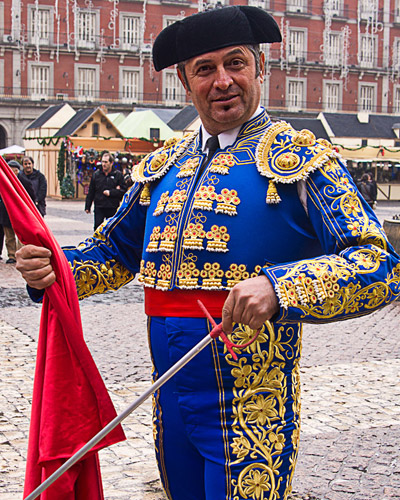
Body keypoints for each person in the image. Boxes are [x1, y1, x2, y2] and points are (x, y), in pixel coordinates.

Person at [15, 6, 400, 500]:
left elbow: (378, 264)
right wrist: (54, 268)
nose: (223, 81)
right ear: (185, 80)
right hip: (169, 396)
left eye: (236, 63)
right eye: (205, 69)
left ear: (260, 67)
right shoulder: (164, 164)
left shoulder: (303, 160)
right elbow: (114, 252)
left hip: (252, 403)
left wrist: (280, 287)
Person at [0, 160, 35, 263]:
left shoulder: (24, 181)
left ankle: (20, 254)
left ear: (17, 171)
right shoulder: (3, 182)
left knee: (21, 235)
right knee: (9, 236)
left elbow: (31, 196)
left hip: (20, 213)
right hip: (6, 212)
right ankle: (11, 255)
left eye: (14, 170)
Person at [85, 151, 127, 229]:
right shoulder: (96, 175)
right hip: (99, 206)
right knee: (98, 227)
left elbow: (123, 191)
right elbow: (91, 190)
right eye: (102, 162)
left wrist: (111, 192)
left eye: (106, 162)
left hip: (112, 207)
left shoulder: (117, 175)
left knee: (111, 228)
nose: (103, 164)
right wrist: (88, 206)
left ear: (111, 163)